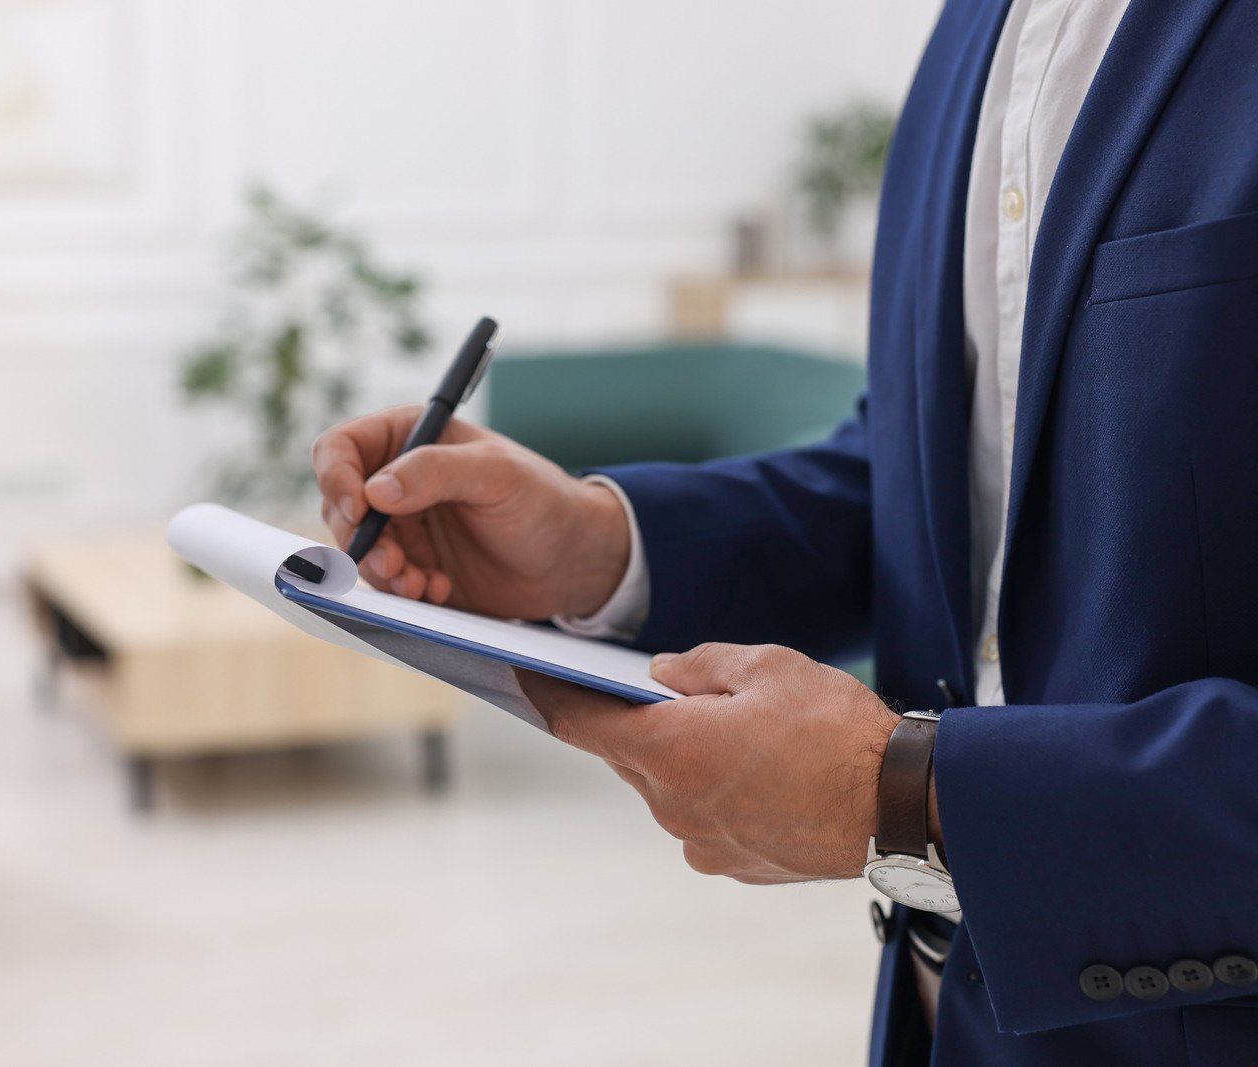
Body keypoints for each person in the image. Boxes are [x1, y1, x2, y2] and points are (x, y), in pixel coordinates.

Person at [312, 0, 1258, 1062]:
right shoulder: (971, 34)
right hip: (938, 1014)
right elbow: (932, 479)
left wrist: (907, 793)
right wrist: (599, 544)